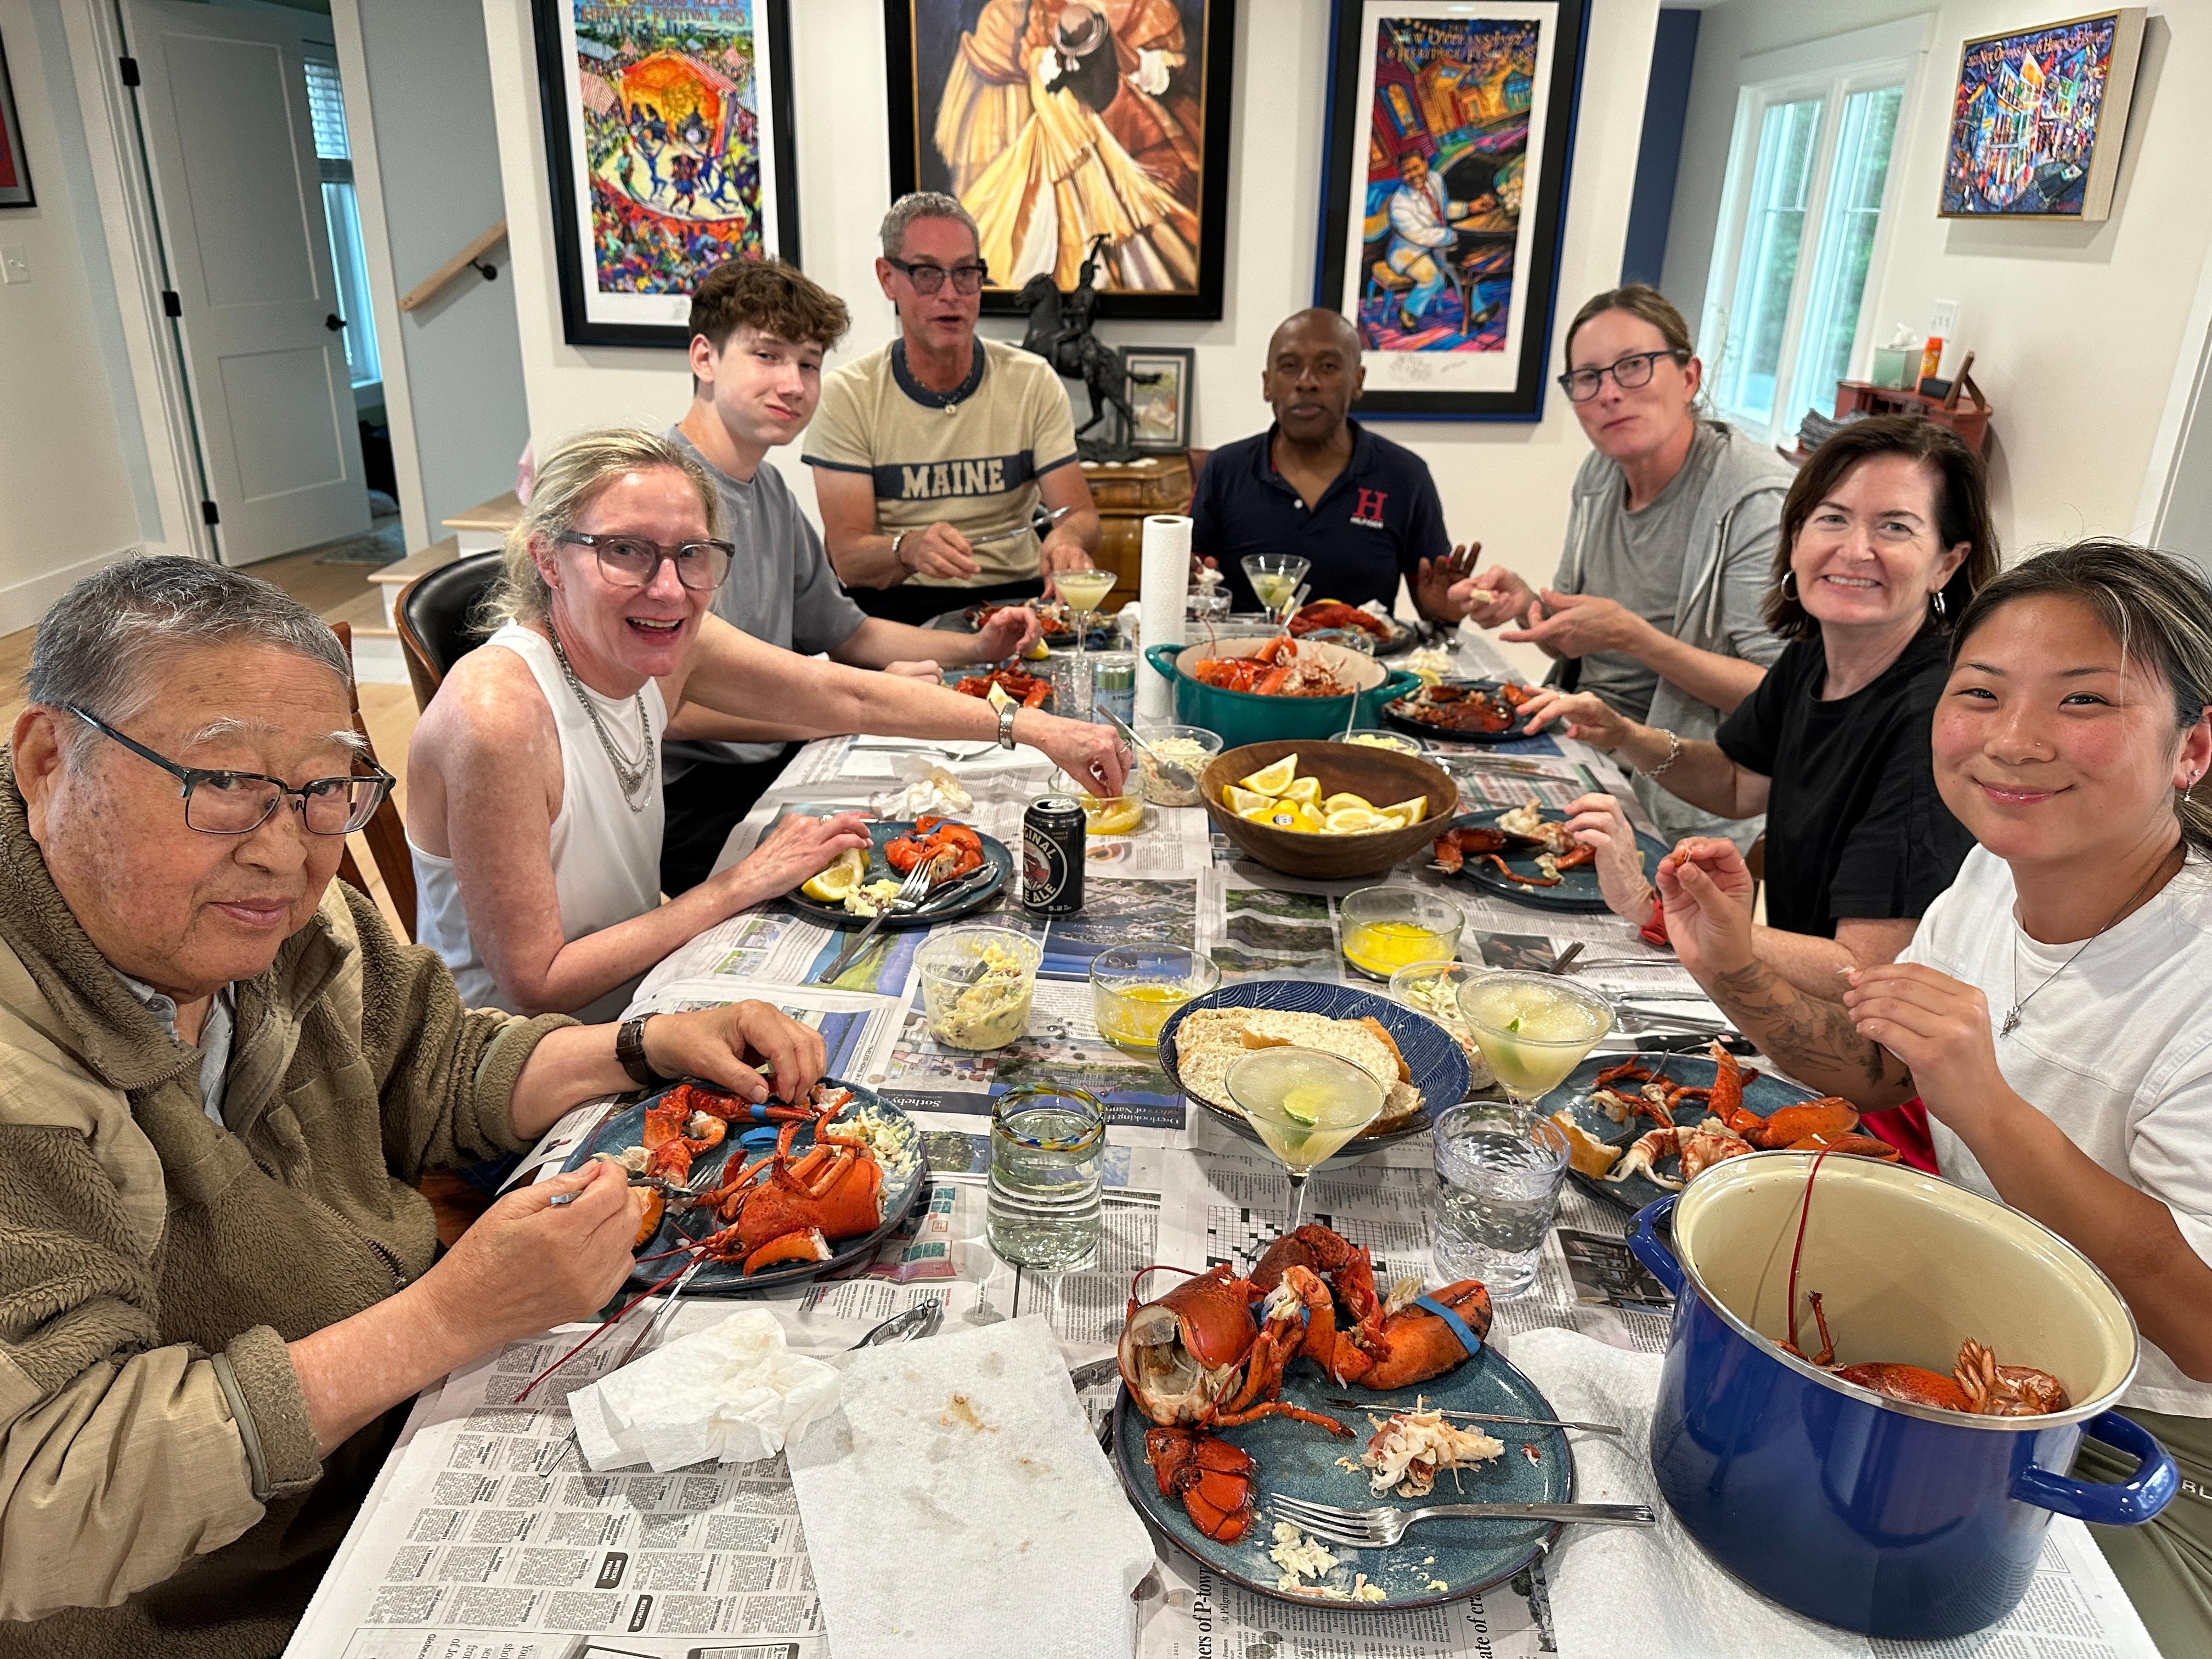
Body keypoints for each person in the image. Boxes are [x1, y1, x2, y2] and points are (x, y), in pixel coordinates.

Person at [0, 556, 833, 1656]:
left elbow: (433, 1067)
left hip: (410, 1433)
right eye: (221, 782)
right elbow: (42, 1501)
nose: (286, 852)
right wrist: (447, 1318)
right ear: (49, 761)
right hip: (229, 1598)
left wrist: (640, 1045)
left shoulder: (274, 922)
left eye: (320, 790)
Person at [1652, 541, 2212, 1649]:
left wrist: (1993, 1110)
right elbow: (1891, 1070)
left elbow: (2201, 1333)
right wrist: (1737, 969)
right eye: (1982, 694)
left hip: (2142, 1439)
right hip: (1963, 1339)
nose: (2013, 741)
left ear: (2193, 746)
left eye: (2084, 699)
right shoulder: (1999, 870)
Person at [408, 427, 1127, 1024]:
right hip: (518, 1079)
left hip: (640, 1002)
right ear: (548, 558)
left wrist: (1034, 729)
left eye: (692, 554)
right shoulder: (496, 715)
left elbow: (847, 696)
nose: (668, 587)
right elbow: (539, 982)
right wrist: (737, 884)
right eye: (624, 551)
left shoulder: (666, 637)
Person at [1527, 416, 1995, 986]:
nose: (1855, 550)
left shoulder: (1935, 721)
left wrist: (1655, 907)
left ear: (1946, 563)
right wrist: (1624, 733)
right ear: (1796, 538)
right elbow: (1736, 782)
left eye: (1895, 528)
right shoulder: (1815, 656)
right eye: (1833, 519)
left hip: (1864, 1039)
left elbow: (1864, 968)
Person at [660, 256, 1046, 895]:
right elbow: (675, 712)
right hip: (687, 801)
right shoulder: (664, 498)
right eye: (767, 356)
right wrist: (831, 711)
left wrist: (975, 650)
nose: (793, 384)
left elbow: (851, 634)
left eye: (808, 364)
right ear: (704, 358)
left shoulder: (771, 490)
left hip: (773, 764)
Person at [1451, 284, 1795, 847]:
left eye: (1634, 367)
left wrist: (1636, 638)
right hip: (1581, 749)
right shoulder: (1599, 475)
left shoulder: (1753, 502)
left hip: (1683, 792)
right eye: (1587, 379)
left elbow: (1779, 696)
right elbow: (1571, 644)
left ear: (1690, 376)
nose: (1610, 393)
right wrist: (1524, 604)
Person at [808, 193, 1105, 627]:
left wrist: (1067, 540)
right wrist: (907, 549)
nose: (951, 294)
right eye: (928, 274)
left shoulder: (1032, 381)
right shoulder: (849, 395)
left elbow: (1080, 516)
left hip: (1015, 602)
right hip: (896, 610)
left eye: (966, 273)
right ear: (888, 278)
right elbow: (849, 558)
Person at [1190, 307, 1476, 620]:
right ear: (1267, 384)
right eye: (1289, 367)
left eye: (1327, 367)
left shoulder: (1405, 476)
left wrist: (1443, 614)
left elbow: (1433, 604)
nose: (1306, 382)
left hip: (1363, 663)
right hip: (1245, 663)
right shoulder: (1224, 470)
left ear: (1357, 380)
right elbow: (1196, 585)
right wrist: (1183, 585)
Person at [1382, 150, 1483, 332]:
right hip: (1409, 251)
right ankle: (1408, 311)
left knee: (1461, 270)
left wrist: (1469, 208)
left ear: (1425, 164)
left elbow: (1444, 209)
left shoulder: (1435, 179)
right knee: (1433, 278)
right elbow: (1421, 235)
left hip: (1437, 244)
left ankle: (1477, 313)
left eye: (1416, 168)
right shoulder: (1399, 204)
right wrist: (1455, 235)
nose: (1412, 175)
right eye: (1406, 172)